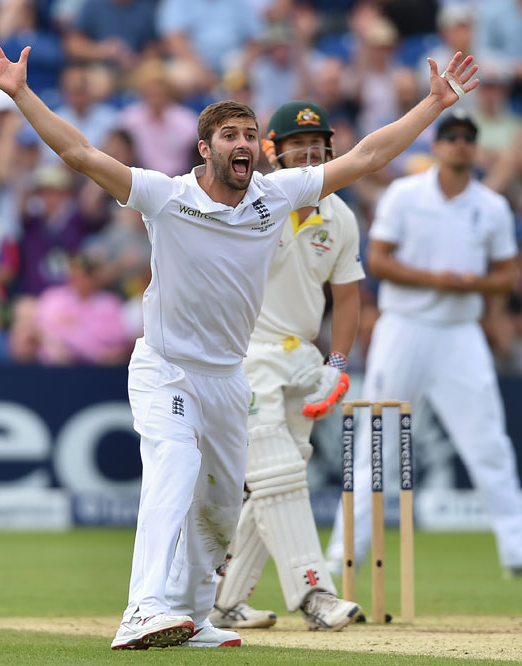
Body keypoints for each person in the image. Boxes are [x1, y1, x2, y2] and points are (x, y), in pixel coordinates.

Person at [0, 36, 479, 650]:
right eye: (230, 136)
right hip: (166, 368)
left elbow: (368, 156)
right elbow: (80, 152)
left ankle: (191, 616)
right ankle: (143, 609)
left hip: (227, 378)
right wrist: (23, 94)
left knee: (217, 508)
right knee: (176, 467)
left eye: (248, 134)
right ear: (205, 148)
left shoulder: (276, 195)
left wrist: (433, 105)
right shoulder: (166, 196)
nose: (242, 144)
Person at [325, 110, 522, 582]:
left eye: (467, 138)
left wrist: (470, 284)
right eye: (451, 137)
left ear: (475, 147)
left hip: (460, 333)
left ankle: (518, 552)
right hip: (404, 328)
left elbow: (507, 275)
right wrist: (439, 280)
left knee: (488, 440)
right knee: (377, 442)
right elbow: (380, 261)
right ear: (437, 145)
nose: (459, 145)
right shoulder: (404, 196)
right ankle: (343, 551)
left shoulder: (491, 206)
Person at [210, 101, 364, 632]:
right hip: (245, 352)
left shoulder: (339, 215)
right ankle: (315, 595)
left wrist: (337, 364)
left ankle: (222, 601)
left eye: (316, 143)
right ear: (271, 150)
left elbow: (347, 299)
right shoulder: (249, 201)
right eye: (296, 144)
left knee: (279, 478)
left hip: (302, 356)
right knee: (275, 471)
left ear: (330, 149)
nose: (307, 151)